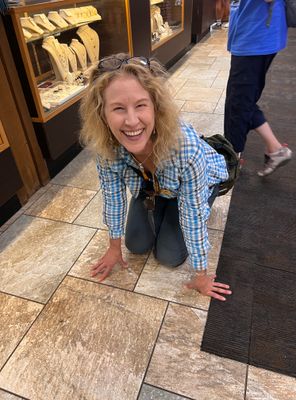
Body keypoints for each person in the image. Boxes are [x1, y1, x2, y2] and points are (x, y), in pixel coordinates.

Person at [80, 53, 232, 301]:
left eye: (140, 105)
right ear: (102, 114)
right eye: (118, 108)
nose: (131, 121)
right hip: (152, 187)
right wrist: (113, 246)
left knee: (169, 256)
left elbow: (192, 215)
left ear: (155, 106)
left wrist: (201, 274)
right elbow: (113, 197)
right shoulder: (105, 147)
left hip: (194, 185)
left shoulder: (186, 149)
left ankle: (182, 204)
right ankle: (159, 206)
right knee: (136, 245)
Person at [224, 0, 292, 176]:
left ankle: (230, 163)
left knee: (238, 104)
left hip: (255, 36)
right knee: (240, 100)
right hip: (252, 33)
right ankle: (275, 149)